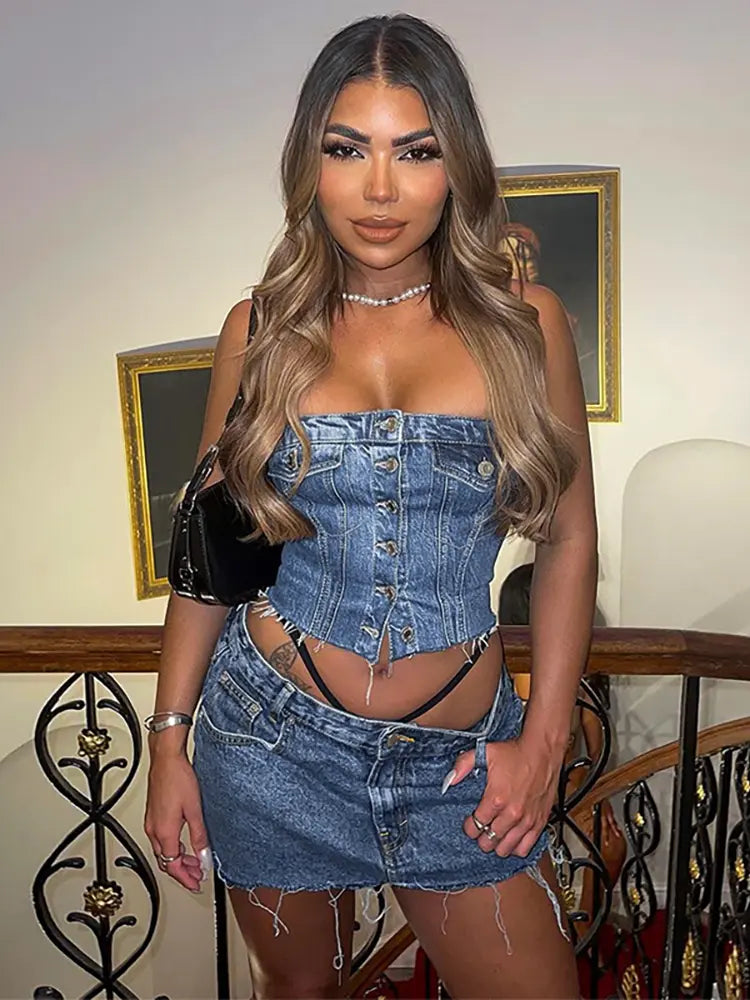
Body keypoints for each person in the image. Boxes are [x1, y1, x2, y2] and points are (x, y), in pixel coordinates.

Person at [144, 14, 597, 999]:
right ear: (309, 164)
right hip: (271, 739)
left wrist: (545, 739)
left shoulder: (529, 325)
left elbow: (567, 540)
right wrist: (168, 738)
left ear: (456, 165)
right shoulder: (259, 328)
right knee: (298, 990)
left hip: (460, 762)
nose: (380, 188)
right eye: (348, 149)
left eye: (416, 151)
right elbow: (209, 561)